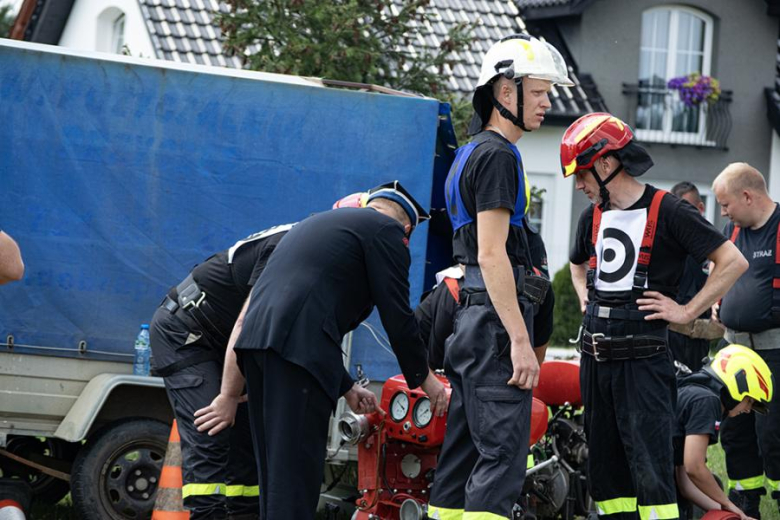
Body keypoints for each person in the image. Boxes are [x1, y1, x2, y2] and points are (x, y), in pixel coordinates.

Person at [198, 180, 448, 520]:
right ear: (407, 230)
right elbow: (397, 316)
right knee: (296, 478)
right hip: (293, 355)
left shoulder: (315, 224)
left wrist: (346, 387)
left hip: (256, 348)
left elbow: (307, 314)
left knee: (276, 476)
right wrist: (425, 380)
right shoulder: (386, 231)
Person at [564, 113, 747, 520]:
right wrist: (583, 297)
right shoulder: (591, 216)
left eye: (582, 174)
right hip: (595, 362)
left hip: (644, 363)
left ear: (606, 164)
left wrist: (686, 310)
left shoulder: (670, 211)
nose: (578, 185)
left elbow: (732, 261)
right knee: (605, 473)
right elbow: (577, 265)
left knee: (651, 468)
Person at [428, 34, 572, 520]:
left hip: (471, 322)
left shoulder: (469, 152)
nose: (547, 103)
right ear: (506, 92)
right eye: (540, 92)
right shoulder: (498, 156)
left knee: (462, 460)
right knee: (503, 460)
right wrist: (519, 340)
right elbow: (492, 255)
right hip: (493, 325)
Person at [149, 223, 296, 520]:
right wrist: (228, 395)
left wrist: (346, 387)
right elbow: (246, 323)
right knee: (211, 432)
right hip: (188, 333)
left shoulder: (314, 249)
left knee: (248, 445)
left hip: (231, 345)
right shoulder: (288, 247)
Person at [712, 162, 780, 518]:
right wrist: (718, 302)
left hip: (774, 351)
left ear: (748, 196)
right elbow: (722, 271)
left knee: (773, 433)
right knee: (734, 431)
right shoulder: (732, 230)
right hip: (734, 351)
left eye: (726, 204)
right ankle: (746, 500)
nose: (723, 212)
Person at [416, 223, 554, 369]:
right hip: (446, 367)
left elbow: (535, 360)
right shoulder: (452, 289)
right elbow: (430, 359)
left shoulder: (540, 291)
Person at [674, 344, 773, 520]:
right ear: (737, 385)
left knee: (712, 486)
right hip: (642, 483)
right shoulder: (707, 402)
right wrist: (726, 503)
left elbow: (685, 484)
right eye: (749, 401)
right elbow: (694, 467)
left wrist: (735, 513)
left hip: (644, 475)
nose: (748, 410)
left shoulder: (696, 393)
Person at [667, 182, 722, 371]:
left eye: (688, 210)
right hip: (669, 339)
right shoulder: (667, 245)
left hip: (701, 341)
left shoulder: (716, 247)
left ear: (701, 208)